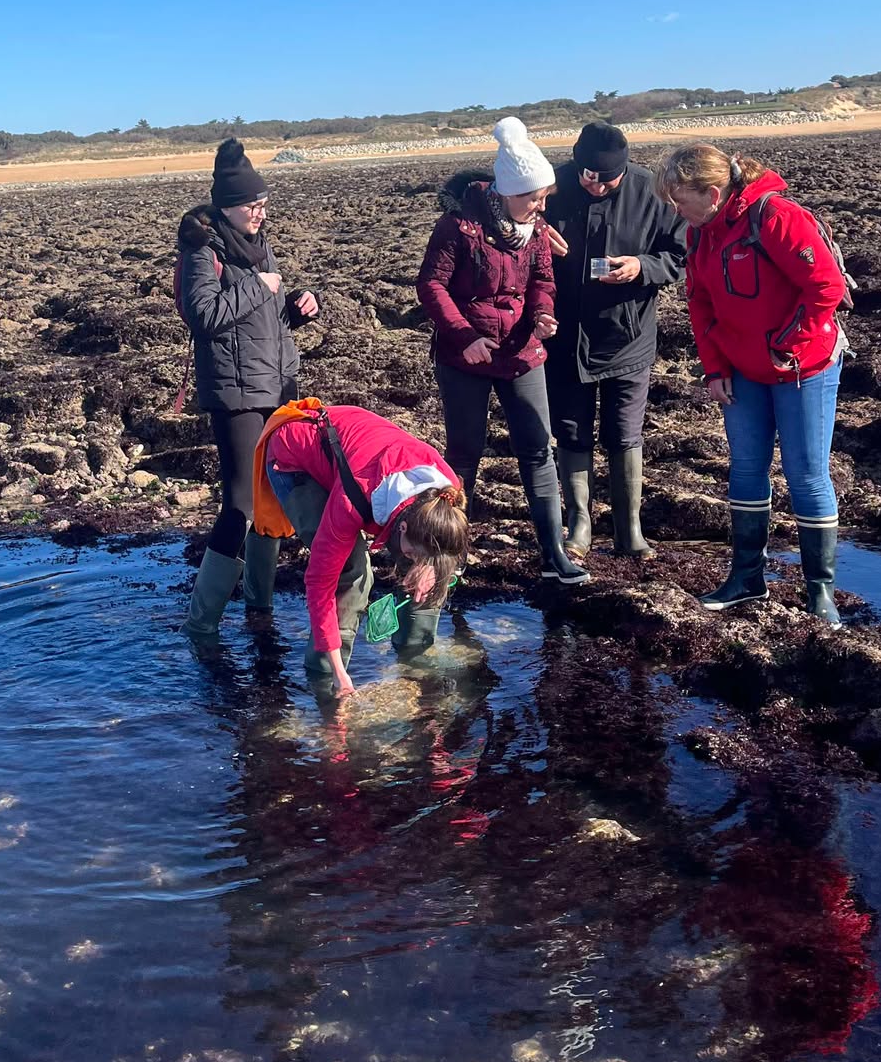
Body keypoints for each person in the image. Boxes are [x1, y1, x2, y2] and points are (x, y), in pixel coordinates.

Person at [656, 143, 849, 624]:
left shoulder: (777, 217)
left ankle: (819, 591)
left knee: (806, 474)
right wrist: (715, 368)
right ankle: (747, 577)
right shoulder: (699, 234)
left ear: (713, 192)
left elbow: (827, 286)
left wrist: (790, 341)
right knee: (745, 469)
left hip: (804, 366)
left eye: (680, 200)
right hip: (742, 369)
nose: (675, 211)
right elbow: (699, 305)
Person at [416, 118, 588, 584]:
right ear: (507, 191)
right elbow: (431, 285)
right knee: (464, 454)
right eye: (534, 197)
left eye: (544, 197)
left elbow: (543, 282)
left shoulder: (536, 230)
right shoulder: (458, 227)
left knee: (537, 449)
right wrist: (463, 336)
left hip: (521, 353)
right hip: (464, 357)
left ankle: (553, 551)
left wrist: (543, 315)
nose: (540, 205)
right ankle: (449, 553)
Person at [180, 138, 318, 637]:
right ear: (226, 209)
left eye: (263, 205)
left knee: (273, 500)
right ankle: (202, 620)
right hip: (234, 393)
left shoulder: (260, 247)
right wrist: (258, 287)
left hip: (276, 384)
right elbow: (203, 316)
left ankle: (259, 607)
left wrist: (298, 304)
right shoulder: (202, 253)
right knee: (239, 503)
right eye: (250, 206)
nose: (259, 213)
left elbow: (264, 316)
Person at [253, 400, 469, 697]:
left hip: (353, 450)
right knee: (351, 571)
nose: (417, 559)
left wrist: (430, 566)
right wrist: (340, 676)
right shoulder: (352, 498)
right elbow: (320, 584)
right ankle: (325, 679)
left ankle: (415, 657)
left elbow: (441, 546)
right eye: (414, 552)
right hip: (294, 455)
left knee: (433, 564)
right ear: (401, 526)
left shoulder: (444, 496)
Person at [542, 122, 687, 559]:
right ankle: (580, 525)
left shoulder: (652, 192)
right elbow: (494, 211)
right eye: (587, 175)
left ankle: (629, 529)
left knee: (624, 433)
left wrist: (642, 266)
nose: (596, 184)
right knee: (570, 431)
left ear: (625, 170)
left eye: (607, 178)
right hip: (565, 337)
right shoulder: (550, 187)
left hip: (629, 336)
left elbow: (680, 255)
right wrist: (531, 237)